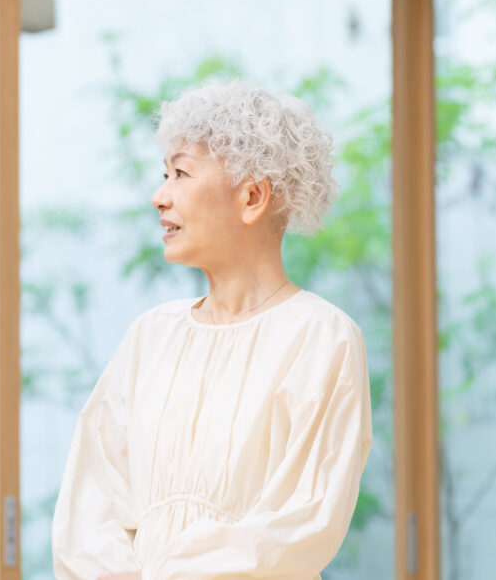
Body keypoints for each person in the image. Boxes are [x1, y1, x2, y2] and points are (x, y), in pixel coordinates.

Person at [52, 81, 372, 580]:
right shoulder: (149, 337)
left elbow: (304, 522)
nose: (160, 196)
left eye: (180, 172)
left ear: (252, 196)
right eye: (164, 174)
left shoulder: (321, 338)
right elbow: (91, 506)